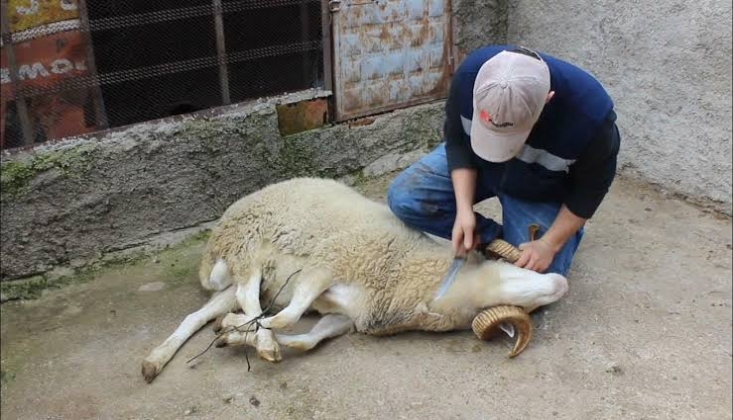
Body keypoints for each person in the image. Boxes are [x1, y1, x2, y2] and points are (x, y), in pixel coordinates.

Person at [387, 45, 620, 276]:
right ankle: (492, 240)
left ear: (547, 100)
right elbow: (457, 141)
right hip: (479, 165)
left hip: (540, 187)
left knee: (535, 277)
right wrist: (463, 209)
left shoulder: (591, 117)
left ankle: (560, 236)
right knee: (405, 197)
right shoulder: (471, 75)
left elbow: (591, 190)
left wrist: (549, 244)